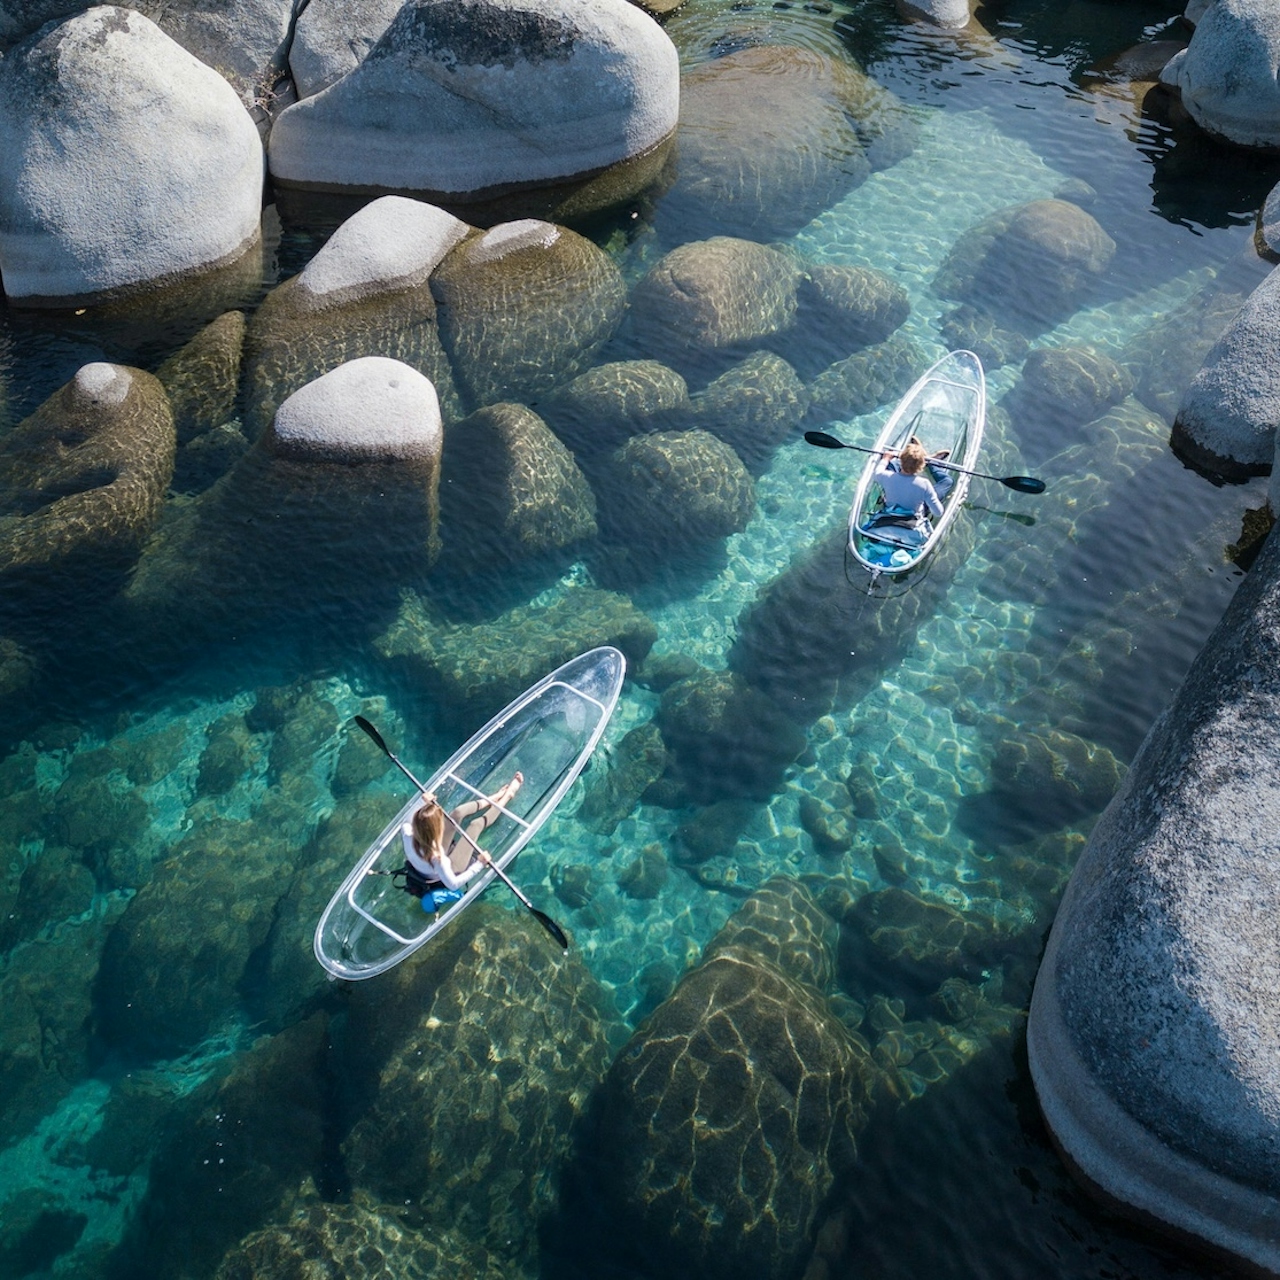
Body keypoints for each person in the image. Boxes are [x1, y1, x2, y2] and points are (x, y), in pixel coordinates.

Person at [401, 772, 523, 912]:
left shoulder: (407, 831)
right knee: (475, 825)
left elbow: (407, 818)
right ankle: (507, 796)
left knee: (458, 812)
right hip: (453, 867)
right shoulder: (438, 859)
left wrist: (422, 802)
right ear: (436, 829)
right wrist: (479, 864)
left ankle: (494, 798)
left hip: (430, 846)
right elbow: (453, 884)